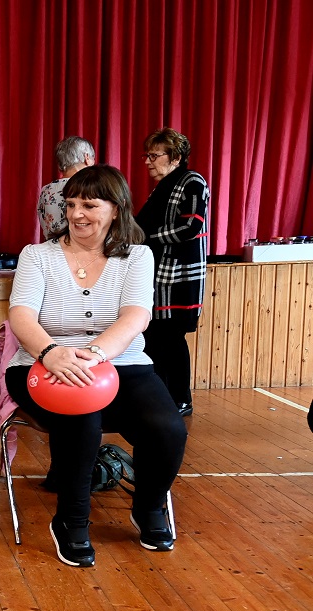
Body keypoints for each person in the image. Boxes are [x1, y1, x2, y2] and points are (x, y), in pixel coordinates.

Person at [4, 165, 187, 568]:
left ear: (117, 209)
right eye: (71, 204)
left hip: (121, 364)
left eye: (89, 204)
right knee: (81, 420)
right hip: (43, 365)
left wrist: (96, 354)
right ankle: (70, 522)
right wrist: (51, 352)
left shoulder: (137, 256)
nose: (77, 214)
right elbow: (21, 316)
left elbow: (136, 317)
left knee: (168, 429)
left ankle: (149, 508)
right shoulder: (37, 255)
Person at [137, 128, 210, 417]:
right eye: (147, 155)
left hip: (179, 277)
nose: (147, 161)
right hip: (160, 275)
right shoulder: (165, 185)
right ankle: (165, 398)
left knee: (172, 339)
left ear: (176, 157)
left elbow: (191, 226)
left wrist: (145, 237)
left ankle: (181, 399)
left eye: (154, 156)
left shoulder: (192, 181)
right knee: (156, 337)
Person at [37, 136, 95, 239]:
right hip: (78, 252)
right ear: (87, 158)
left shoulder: (46, 190)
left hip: (49, 251)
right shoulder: (88, 187)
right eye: (93, 158)